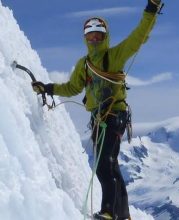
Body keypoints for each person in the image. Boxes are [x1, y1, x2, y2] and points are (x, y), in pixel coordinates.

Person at [31, 0, 161, 219]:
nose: (94, 39)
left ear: (105, 37)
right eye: (90, 35)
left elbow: (139, 36)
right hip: (100, 119)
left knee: (103, 165)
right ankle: (123, 214)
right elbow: (73, 87)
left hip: (113, 116)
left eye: (98, 35)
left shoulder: (115, 56)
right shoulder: (84, 64)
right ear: (85, 38)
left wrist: (151, 9)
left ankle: (109, 212)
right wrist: (48, 88)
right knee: (111, 165)